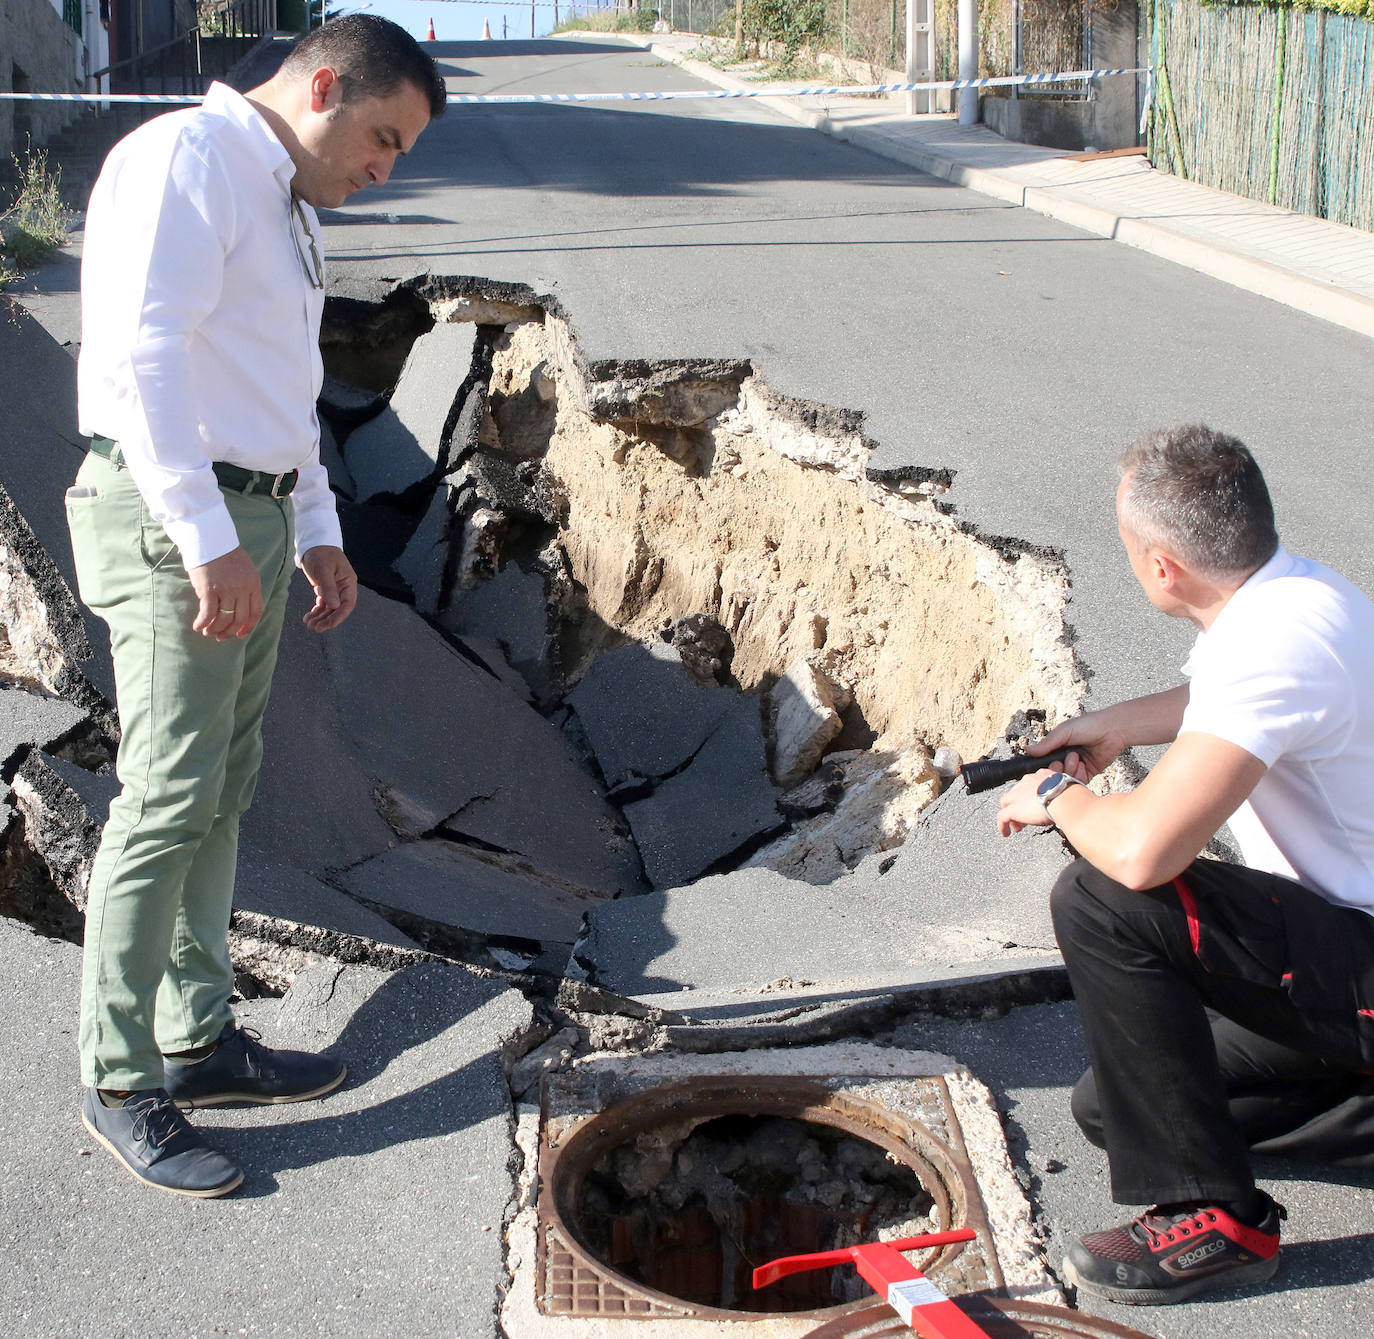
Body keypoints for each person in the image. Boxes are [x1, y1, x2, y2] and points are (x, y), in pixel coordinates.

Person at [66, 16, 446, 1198]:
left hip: (257, 514)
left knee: (224, 788)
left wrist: (318, 532)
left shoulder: (284, 202)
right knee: (168, 793)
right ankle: (120, 1078)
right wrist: (207, 538)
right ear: (324, 83)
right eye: (382, 137)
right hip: (178, 516)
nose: (384, 167)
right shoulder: (189, 159)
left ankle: (198, 1038)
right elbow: (147, 359)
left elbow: (283, 387)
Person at [996, 424, 1374, 1305]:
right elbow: (1217, 698)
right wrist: (1117, 724)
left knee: (1102, 898)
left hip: (1360, 962)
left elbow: (1139, 852)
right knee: (1122, 1109)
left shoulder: (1272, 646)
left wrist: (1056, 796)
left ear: (1162, 566)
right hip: (1346, 952)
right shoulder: (1297, 595)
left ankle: (1220, 1224)